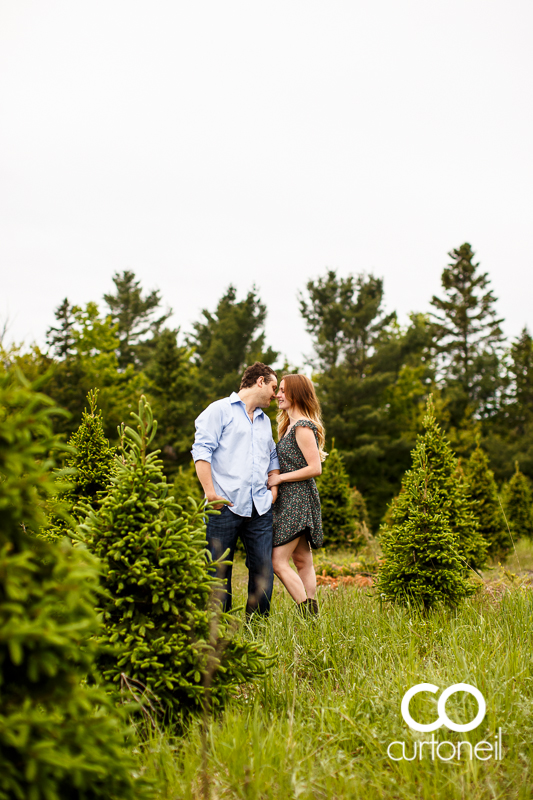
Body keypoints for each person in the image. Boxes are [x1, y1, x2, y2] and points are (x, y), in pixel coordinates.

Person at [191, 362, 280, 616]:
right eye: (274, 387)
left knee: (263, 569)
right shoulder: (219, 410)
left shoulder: (264, 421)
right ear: (260, 381)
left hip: (260, 508)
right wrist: (210, 494)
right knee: (218, 571)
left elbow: (272, 455)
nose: (276, 394)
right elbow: (201, 451)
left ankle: (257, 630)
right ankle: (220, 630)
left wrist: (273, 486)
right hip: (224, 505)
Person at [267, 374, 326, 615]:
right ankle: (314, 618)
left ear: (296, 393)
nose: (277, 395)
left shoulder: (302, 426)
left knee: (277, 561)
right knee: (302, 560)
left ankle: (307, 612)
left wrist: (280, 478)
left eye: (282, 390)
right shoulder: (288, 426)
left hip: (297, 498)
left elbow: (315, 468)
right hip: (289, 498)